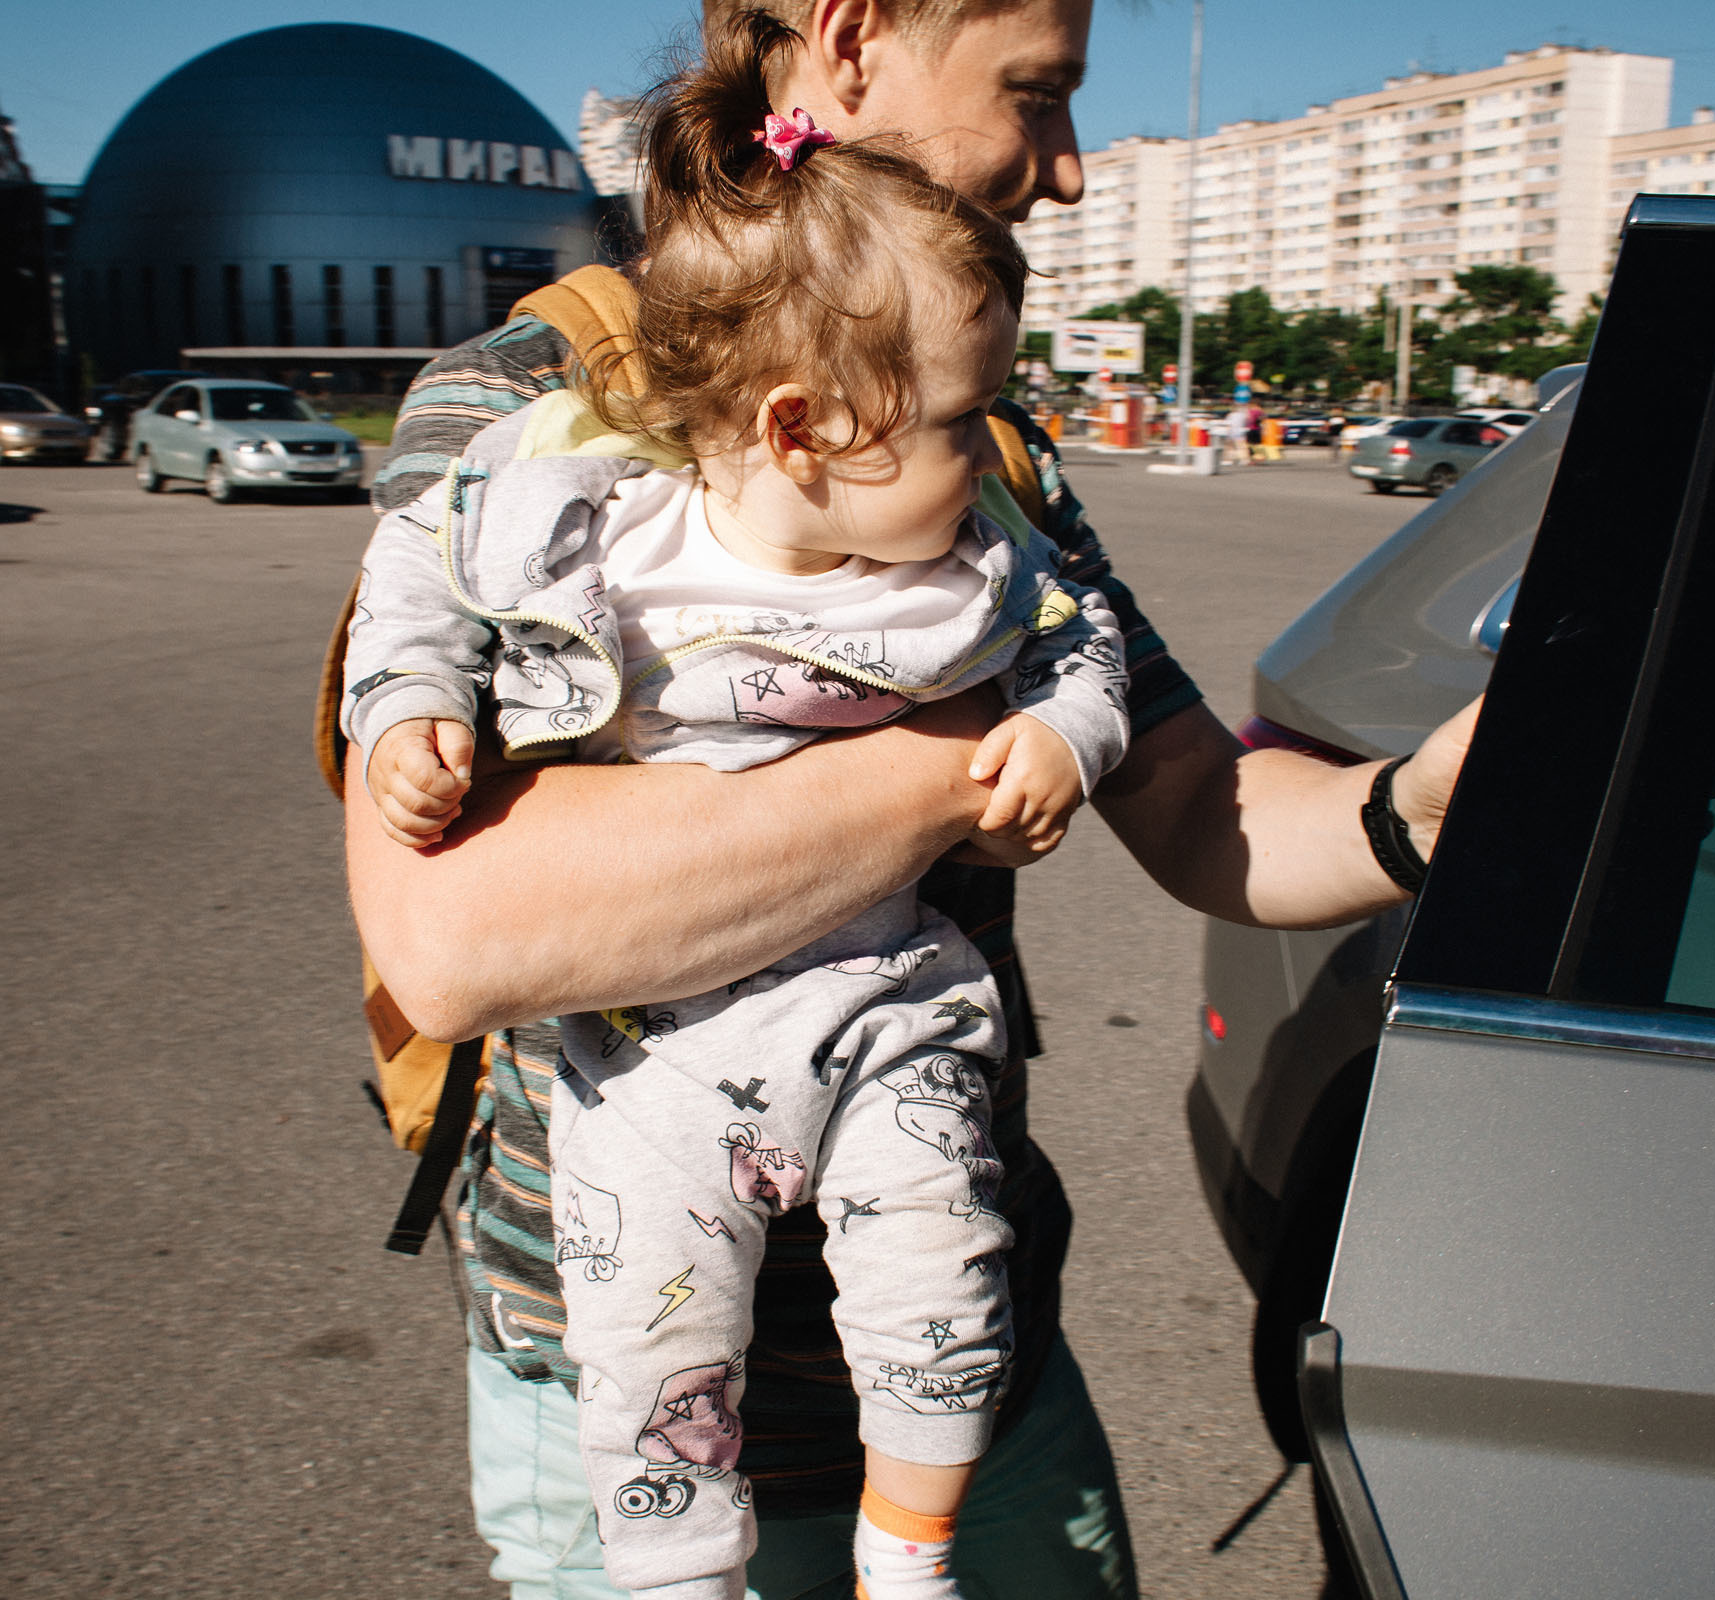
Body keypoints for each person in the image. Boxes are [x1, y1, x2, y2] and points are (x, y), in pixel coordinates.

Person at [344, 2, 1479, 1595]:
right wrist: (957, 753)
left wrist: (1406, 814)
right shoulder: (541, 403)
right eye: (1037, 92)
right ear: (853, 34)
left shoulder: (979, 442)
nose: (1066, 169)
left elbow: (1180, 789)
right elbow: (460, 933)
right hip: (646, 1396)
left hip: (966, 1360)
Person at [345, 51, 1129, 1596]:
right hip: (649, 1057)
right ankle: (676, 1575)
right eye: (1036, 81)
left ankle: (912, 1551)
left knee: (935, 1279)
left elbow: (1087, 646)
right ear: (799, 429)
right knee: (653, 1334)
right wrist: (410, 709)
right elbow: (422, 579)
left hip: (888, 1011)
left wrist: (1059, 734)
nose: (989, 456)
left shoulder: (962, 537)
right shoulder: (570, 479)